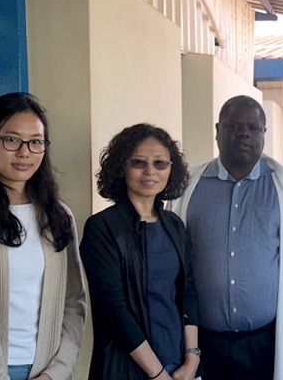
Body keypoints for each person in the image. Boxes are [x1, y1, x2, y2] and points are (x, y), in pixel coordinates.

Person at [168, 95, 283, 380]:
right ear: (217, 130)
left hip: (265, 340)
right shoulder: (187, 186)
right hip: (201, 340)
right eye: (233, 126)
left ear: (263, 133)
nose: (243, 133)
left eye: (253, 128)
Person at [0, 92, 86, 380]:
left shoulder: (58, 216)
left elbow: (74, 304)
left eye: (35, 142)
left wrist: (57, 372)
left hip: (48, 372)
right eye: (11, 139)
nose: (25, 152)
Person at [80, 124, 200, 380]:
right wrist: (157, 375)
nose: (150, 172)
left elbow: (188, 290)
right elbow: (113, 309)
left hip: (178, 365)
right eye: (138, 162)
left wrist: (192, 358)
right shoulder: (102, 228)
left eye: (160, 163)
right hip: (125, 368)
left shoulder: (174, 225)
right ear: (121, 166)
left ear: (171, 169)